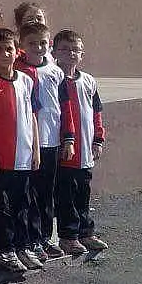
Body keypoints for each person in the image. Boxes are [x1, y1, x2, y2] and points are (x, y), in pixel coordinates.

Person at [0, 28, 41, 273]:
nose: (4, 54)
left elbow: (32, 116)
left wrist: (35, 150)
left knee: (22, 204)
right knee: (0, 206)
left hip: (23, 156)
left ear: (17, 51)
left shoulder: (26, 81)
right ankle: (6, 250)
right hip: (0, 159)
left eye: (9, 49)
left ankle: (24, 246)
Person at [53, 29, 108, 255]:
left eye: (75, 50)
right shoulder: (54, 79)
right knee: (66, 196)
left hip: (85, 150)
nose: (70, 53)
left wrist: (98, 140)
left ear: (82, 54)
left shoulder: (88, 81)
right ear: (55, 52)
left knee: (83, 194)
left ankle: (86, 232)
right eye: (64, 49)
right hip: (66, 152)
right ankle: (68, 236)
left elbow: (96, 113)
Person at [16, 22, 66, 260]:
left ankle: (46, 237)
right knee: (31, 194)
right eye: (32, 43)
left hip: (52, 141)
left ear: (50, 44)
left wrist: (68, 136)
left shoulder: (56, 71)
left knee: (47, 192)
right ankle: (32, 239)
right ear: (22, 45)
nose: (38, 47)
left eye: (42, 43)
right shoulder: (19, 72)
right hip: (29, 143)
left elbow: (64, 105)